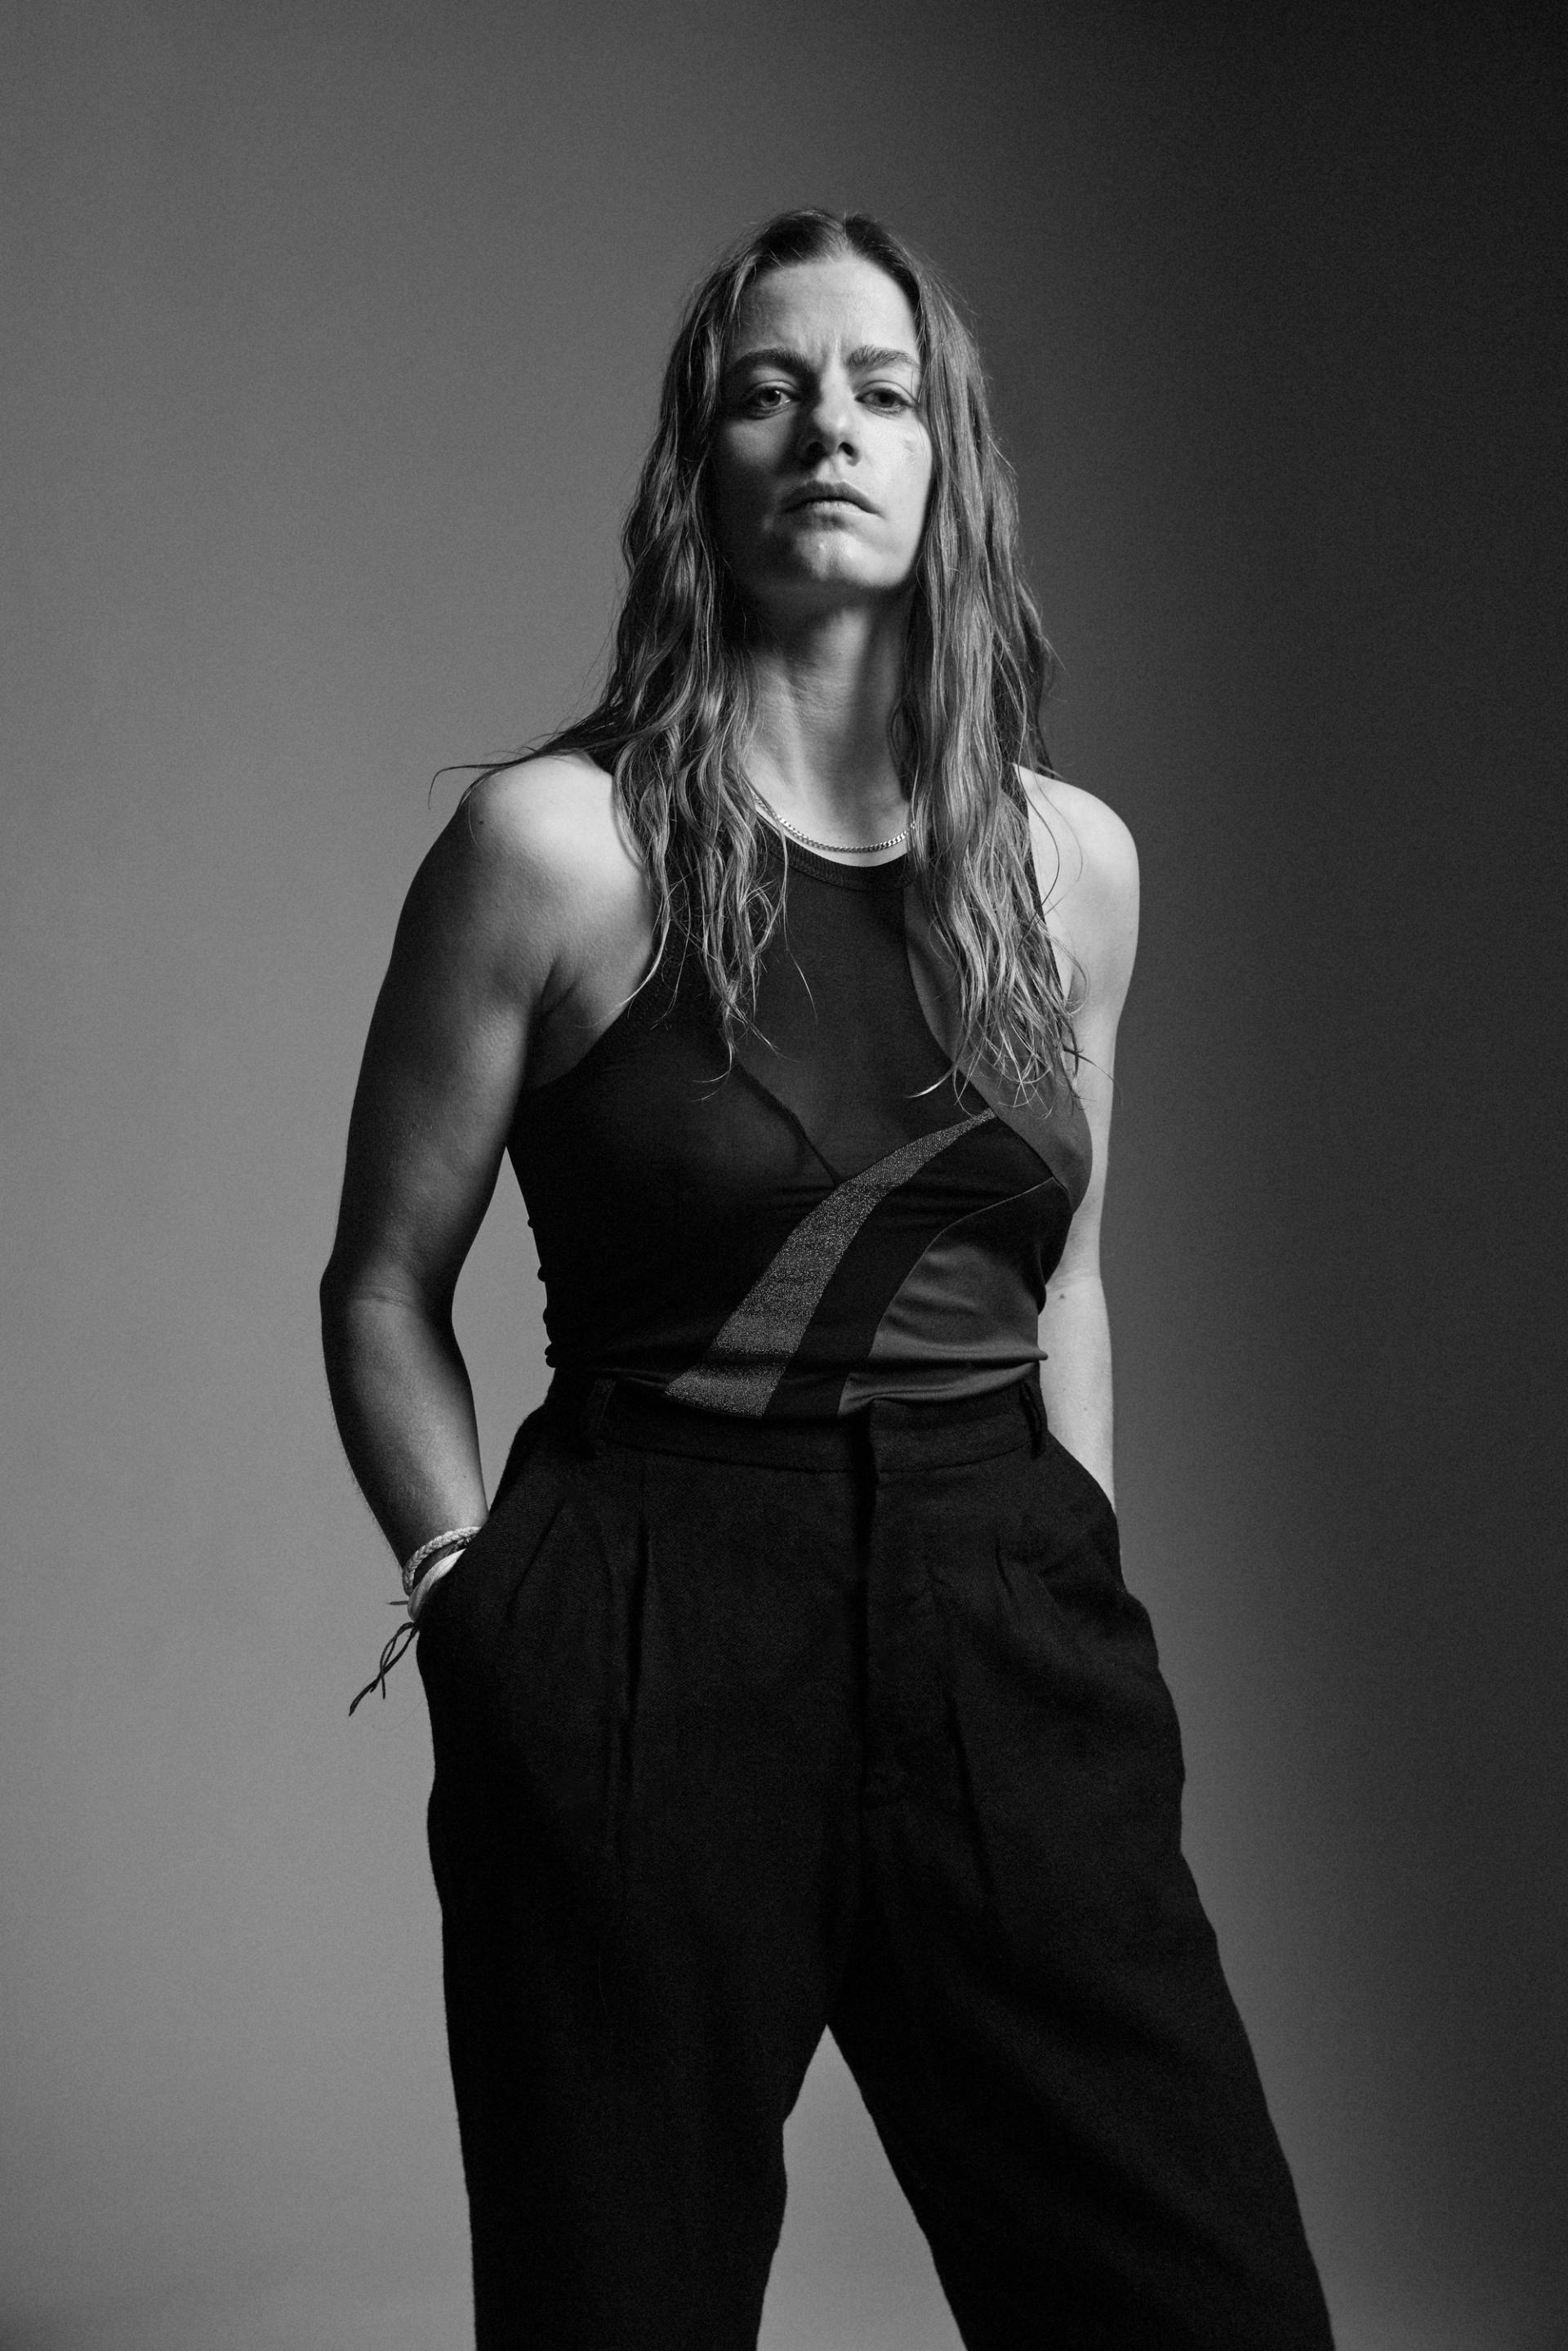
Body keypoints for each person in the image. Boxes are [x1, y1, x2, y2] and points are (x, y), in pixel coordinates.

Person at [321, 208, 1334, 2351]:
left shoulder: (1073, 866)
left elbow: (1067, 1274)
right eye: (769, 392)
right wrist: (474, 1603)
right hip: (652, 1609)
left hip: (1000, 1617)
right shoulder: (554, 848)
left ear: (950, 456)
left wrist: (1069, 1569)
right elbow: (384, 1287)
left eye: (881, 391)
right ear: (700, 462)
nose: (829, 432)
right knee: (621, 2305)